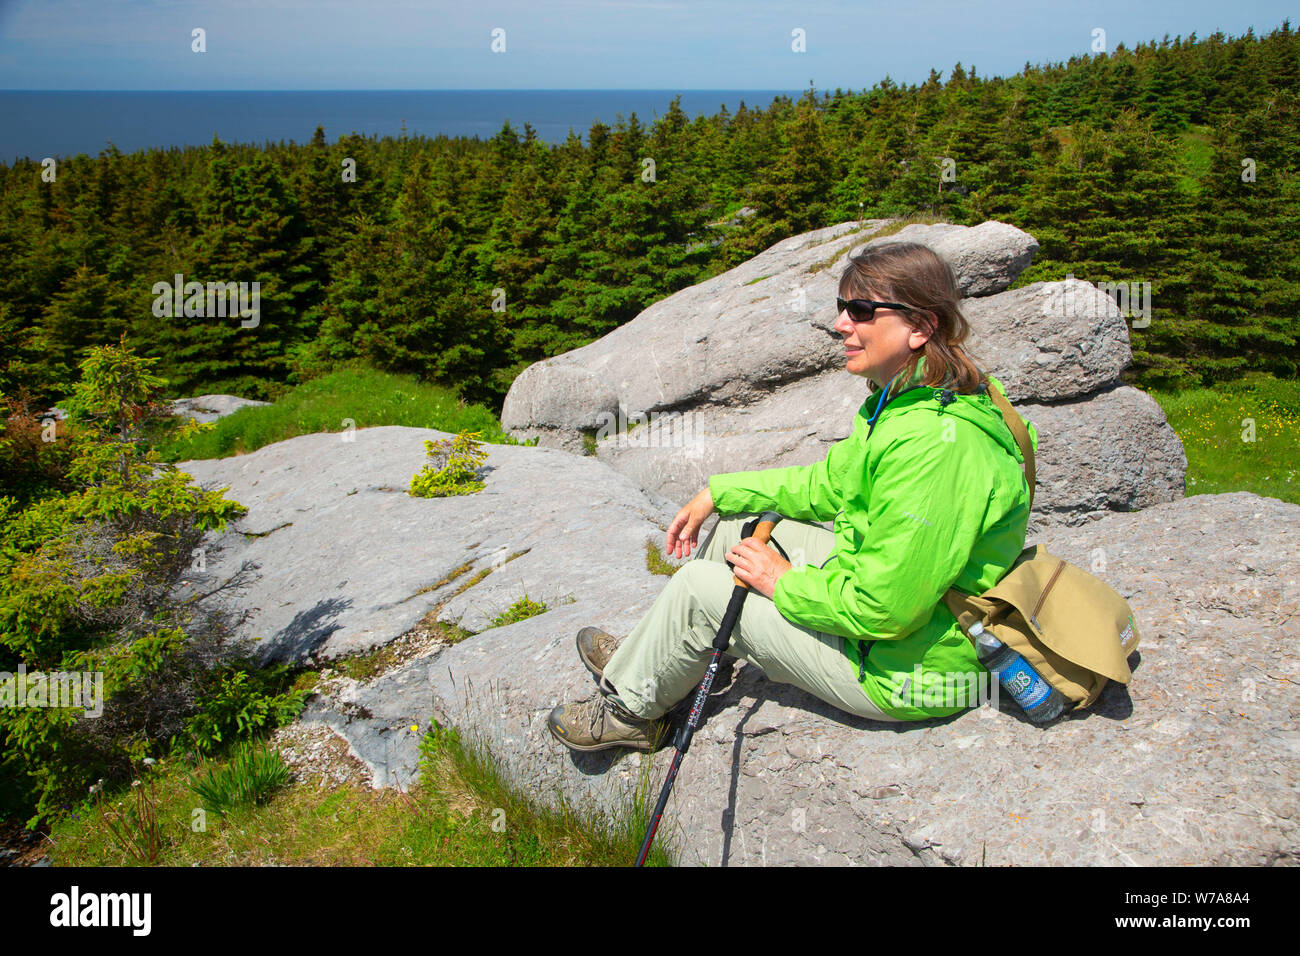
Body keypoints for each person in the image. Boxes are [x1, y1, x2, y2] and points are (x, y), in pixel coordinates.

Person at [547, 241, 1037, 752]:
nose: (842, 324)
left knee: (698, 590)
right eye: (843, 308)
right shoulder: (919, 397)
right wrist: (722, 491)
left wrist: (780, 580)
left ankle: (631, 713)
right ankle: (657, 660)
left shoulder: (935, 446)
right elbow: (829, 486)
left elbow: (886, 610)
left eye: (863, 311)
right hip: (900, 611)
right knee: (738, 534)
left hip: (907, 667)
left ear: (921, 326)